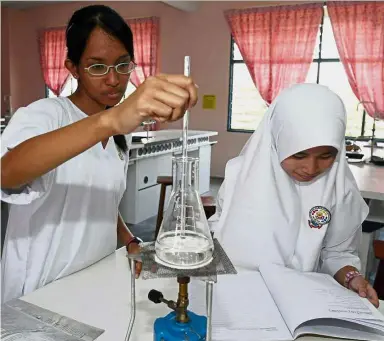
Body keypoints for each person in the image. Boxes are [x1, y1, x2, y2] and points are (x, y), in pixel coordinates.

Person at [1, 5, 198, 303]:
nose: (113, 79)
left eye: (122, 64)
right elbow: (7, 172)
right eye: (97, 66)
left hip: (95, 279)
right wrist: (110, 120)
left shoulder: (119, 132)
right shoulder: (45, 114)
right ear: (73, 67)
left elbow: (100, 197)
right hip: (40, 291)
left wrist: (129, 239)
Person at [211, 83, 379, 307]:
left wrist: (353, 278)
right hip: (238, 295)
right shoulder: (239, 177)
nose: (311, 168)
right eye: (299, 155)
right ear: (278, 140)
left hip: (301, 300)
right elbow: (217, 237)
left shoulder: (340, 190)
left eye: (326, 155)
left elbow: (337, 253)